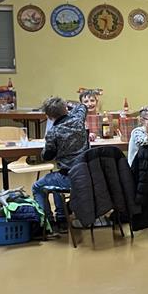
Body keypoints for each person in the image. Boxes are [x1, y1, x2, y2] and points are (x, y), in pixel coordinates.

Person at [32, 96, 89, 229]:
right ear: (66, 109)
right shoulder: (78, 120)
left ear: (49, 116)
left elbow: (47, 156)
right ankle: (62, 217)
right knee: (55, 179)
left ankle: (48, 221)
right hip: (85, 174)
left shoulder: (53, 132)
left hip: (68, 177)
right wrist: (68, 105)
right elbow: (82, 106)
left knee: (37, 187)